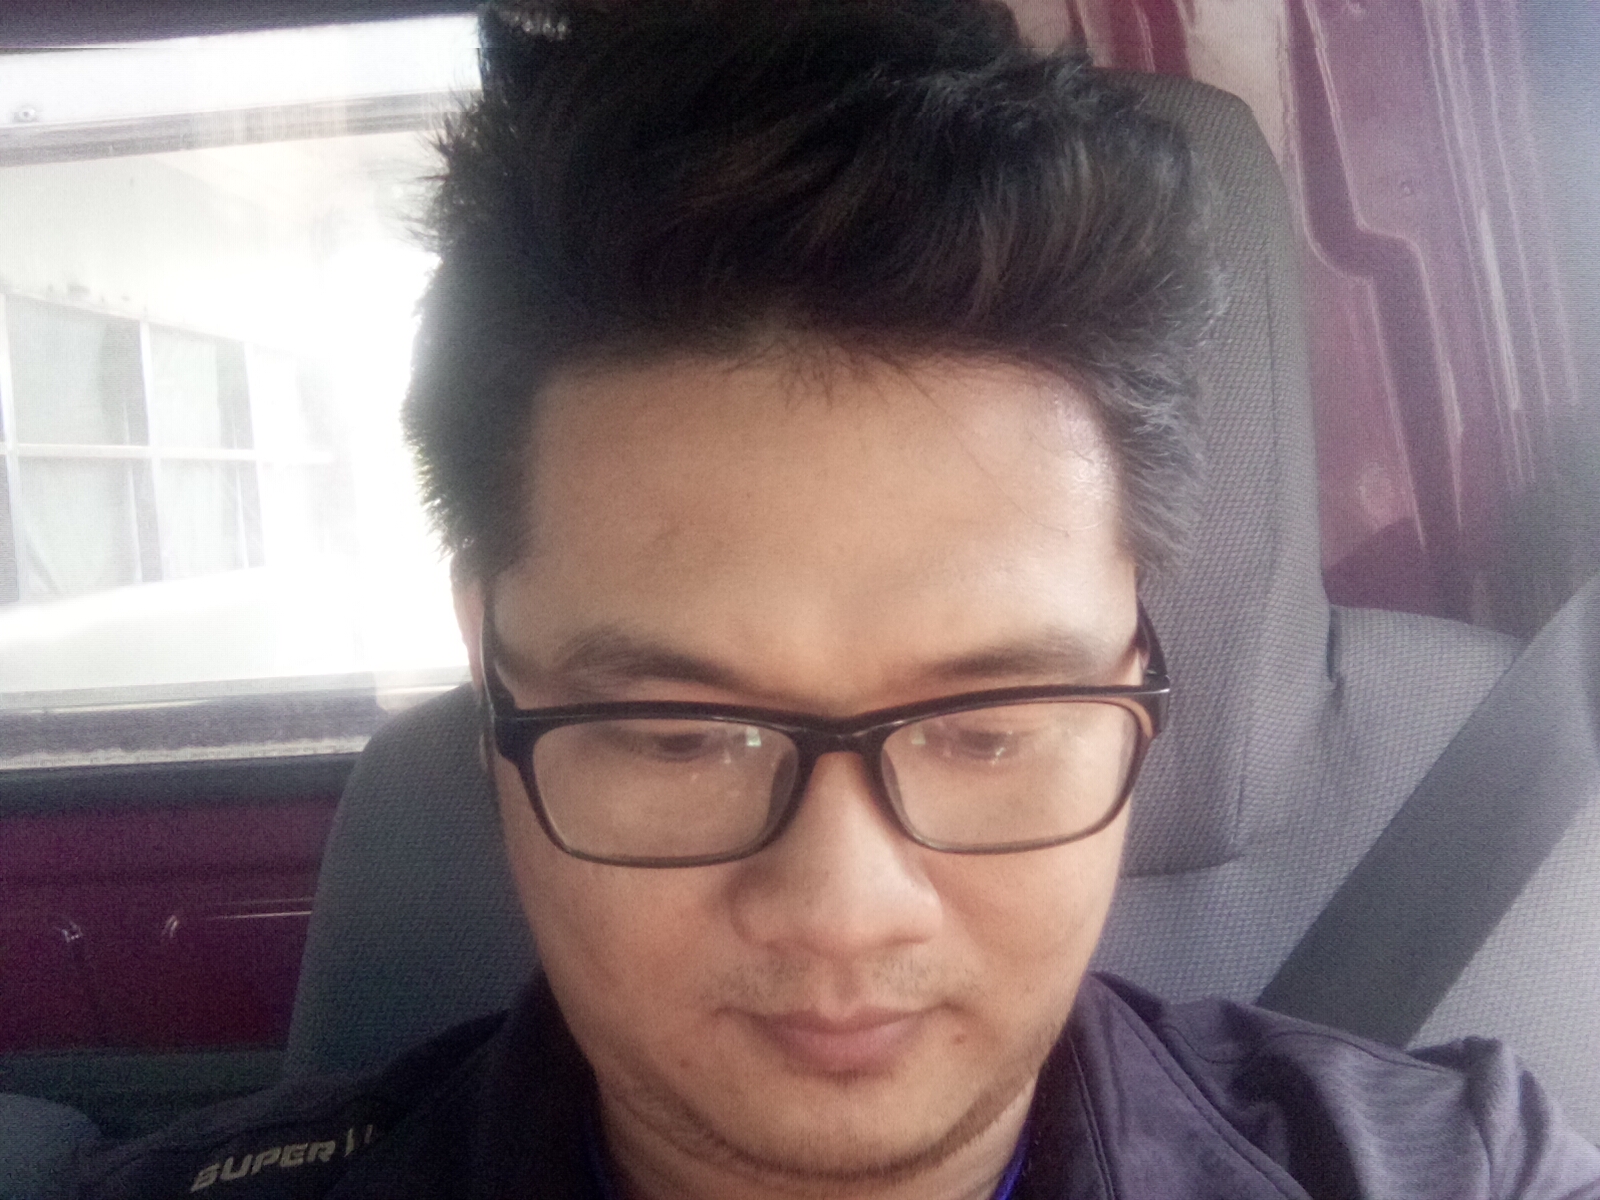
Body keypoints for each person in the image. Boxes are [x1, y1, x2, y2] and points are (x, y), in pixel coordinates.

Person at [58, 1, 1600, 1197]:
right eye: (679, 734)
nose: (843, 909)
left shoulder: (1458, 1167)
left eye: (990, 724)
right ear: (492, 664)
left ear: (1139, 659)